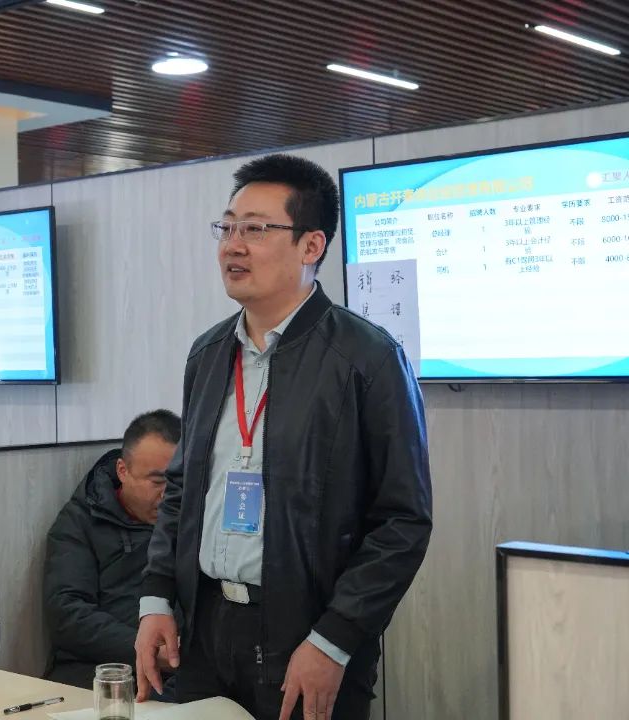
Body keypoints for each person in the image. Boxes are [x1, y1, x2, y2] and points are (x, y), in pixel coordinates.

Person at [134, 154, 433, 720]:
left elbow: (402, 522)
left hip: (307, 638)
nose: (233, 246)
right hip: (204, 631)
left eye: (255, 229)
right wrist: (156, 598)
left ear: (311, 245)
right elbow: (181, 492)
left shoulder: (367, 358)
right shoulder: (208, 353)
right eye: (227, 228)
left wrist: (335, 639)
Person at [43, 409, 181, 690]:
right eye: (157, 482)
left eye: (178, 482)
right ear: (122, 471)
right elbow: (67, 614)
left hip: (182, 670)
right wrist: (145, 648)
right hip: (99, 671)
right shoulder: (81, 521)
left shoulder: (196, 519)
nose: (169, 494)